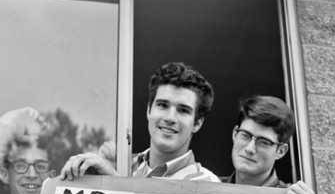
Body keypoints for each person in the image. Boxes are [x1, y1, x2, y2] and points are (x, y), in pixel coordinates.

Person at [60, 61, 220, 182]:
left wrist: (113, 182)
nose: (170, 118)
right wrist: (85, 177)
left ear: (197, 123)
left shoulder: (211, 187)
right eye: (163, 105)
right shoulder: (118, 164)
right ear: (149, 110)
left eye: (183, 110)